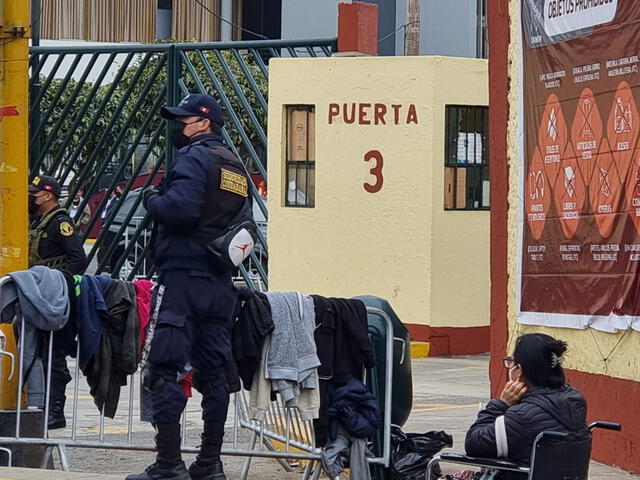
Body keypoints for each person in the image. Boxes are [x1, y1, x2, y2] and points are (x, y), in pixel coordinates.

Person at [127, 93, 250, 480]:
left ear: (204, 124)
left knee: (163, 370)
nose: (179, 126)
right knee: (214, 374)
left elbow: (179, 210)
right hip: (219, 283)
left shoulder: (194, 158)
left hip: (182, 278)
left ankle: (168, 465)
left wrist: (151, 198)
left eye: (184, 120)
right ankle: (210, 465)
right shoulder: (235, 166)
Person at [464, 334, 587, 479]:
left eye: (511, 362)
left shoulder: (521, 416)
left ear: (520, 370)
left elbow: (473, 444)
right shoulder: (576, 400)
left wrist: (501, 404)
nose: (509, 367)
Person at [28, 175, 87, 429]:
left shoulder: (60, 223)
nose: (33, 196)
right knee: (38, 351)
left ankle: (55, 411)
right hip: (37, 294)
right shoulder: (38, 221)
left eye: (36, 193)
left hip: (54, 297)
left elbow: (78, 260)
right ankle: (41, 405)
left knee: (54, 354)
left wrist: (60, 282)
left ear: (48, 195)